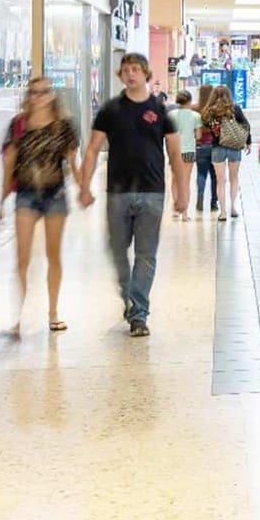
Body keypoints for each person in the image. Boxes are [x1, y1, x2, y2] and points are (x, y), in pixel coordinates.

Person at [79, 53, 188, 338]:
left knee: (146, 255)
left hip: (152, 192)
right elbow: (92, 148)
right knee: (116, 249)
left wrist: (183, 190)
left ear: (146, 74)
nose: (130, 74)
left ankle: (138, 313)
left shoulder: (161, 111)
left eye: (136, 70)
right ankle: (129, 293)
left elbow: (175, 152)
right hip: (117, 191)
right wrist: (83, 185)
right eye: (126, 70)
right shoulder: (111, 110)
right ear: (121, 75)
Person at [0, 77, 81, 335]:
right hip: (25, 194)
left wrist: (84, 188)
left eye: (44, 92)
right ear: (28, 96)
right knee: (21, 259)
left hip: (55, 194)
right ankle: (18, 318)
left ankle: (53, 313)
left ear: (51, 95)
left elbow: (71, 162)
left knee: (52, 255)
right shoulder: (18, 125)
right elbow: (9, 163)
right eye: (34, 92)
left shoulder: (63, 127)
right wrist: (1, 201)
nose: (39, 97)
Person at [201, 85, 251, 221]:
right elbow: (246, 125)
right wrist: (248, 142)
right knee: (234, 178)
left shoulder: (210, 112)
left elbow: (206, 125)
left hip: (217, 147)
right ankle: (233, 207)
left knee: (220, 181)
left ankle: (222, 212)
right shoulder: (235, 109)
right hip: (234, 146)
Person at [167, 90, 201, 222]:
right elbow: (198, 136)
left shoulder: (171, 115)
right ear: (190, 101)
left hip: (174, 151)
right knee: (186, 181)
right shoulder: (195, 116)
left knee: (175, 180)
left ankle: (175, 209)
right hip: (189, 151)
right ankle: (185, 213)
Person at [193, 83, 219, 214]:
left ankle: (200, 198)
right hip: (215, 147)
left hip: (199, 146)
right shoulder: (216, 110)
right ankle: (214, 203)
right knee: (215, 176)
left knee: (201, 174)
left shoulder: (194, 109)